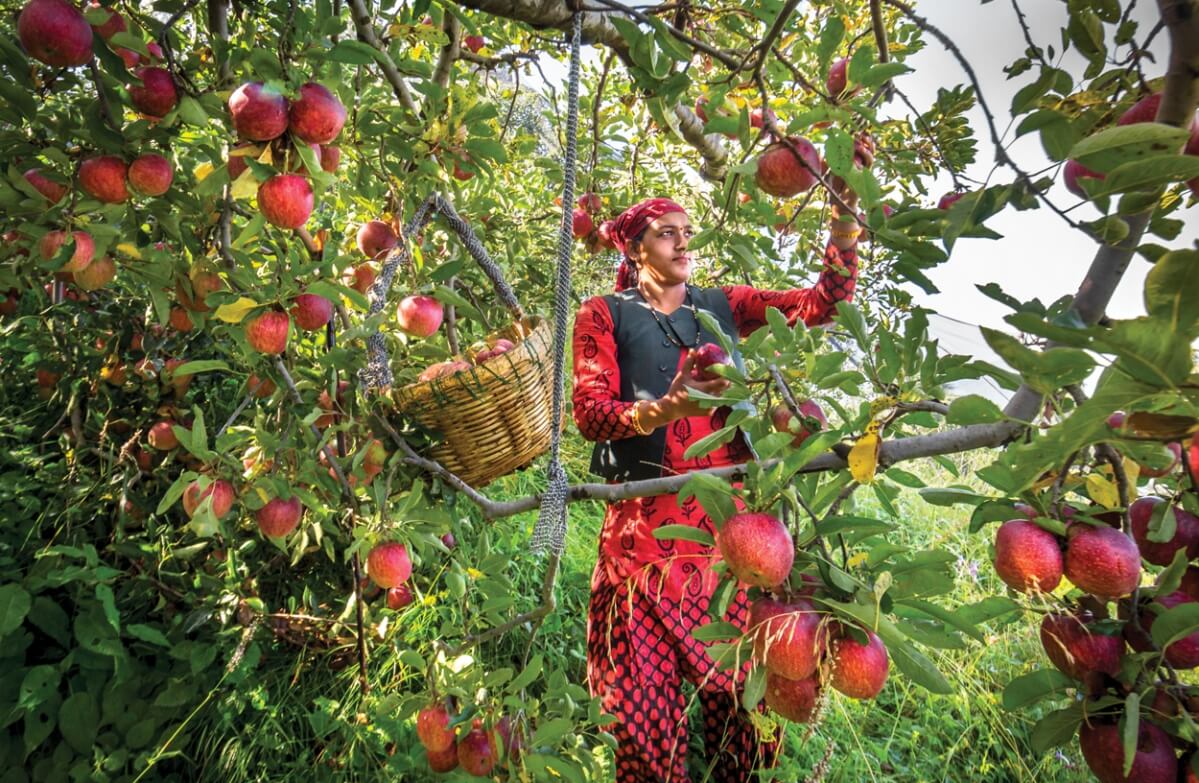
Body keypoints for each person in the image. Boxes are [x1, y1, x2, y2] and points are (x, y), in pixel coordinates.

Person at [570, 157, 870, 782]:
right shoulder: (604, 313)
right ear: (635, 246)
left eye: (687, 230)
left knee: (743, 718)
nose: (683, 241)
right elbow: (591, 414)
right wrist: (661, 410)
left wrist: (843, 216)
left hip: (729, 543)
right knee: (643, 723)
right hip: (643, 543)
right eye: (665, 231)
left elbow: (822, 305)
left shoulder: (723, 306)